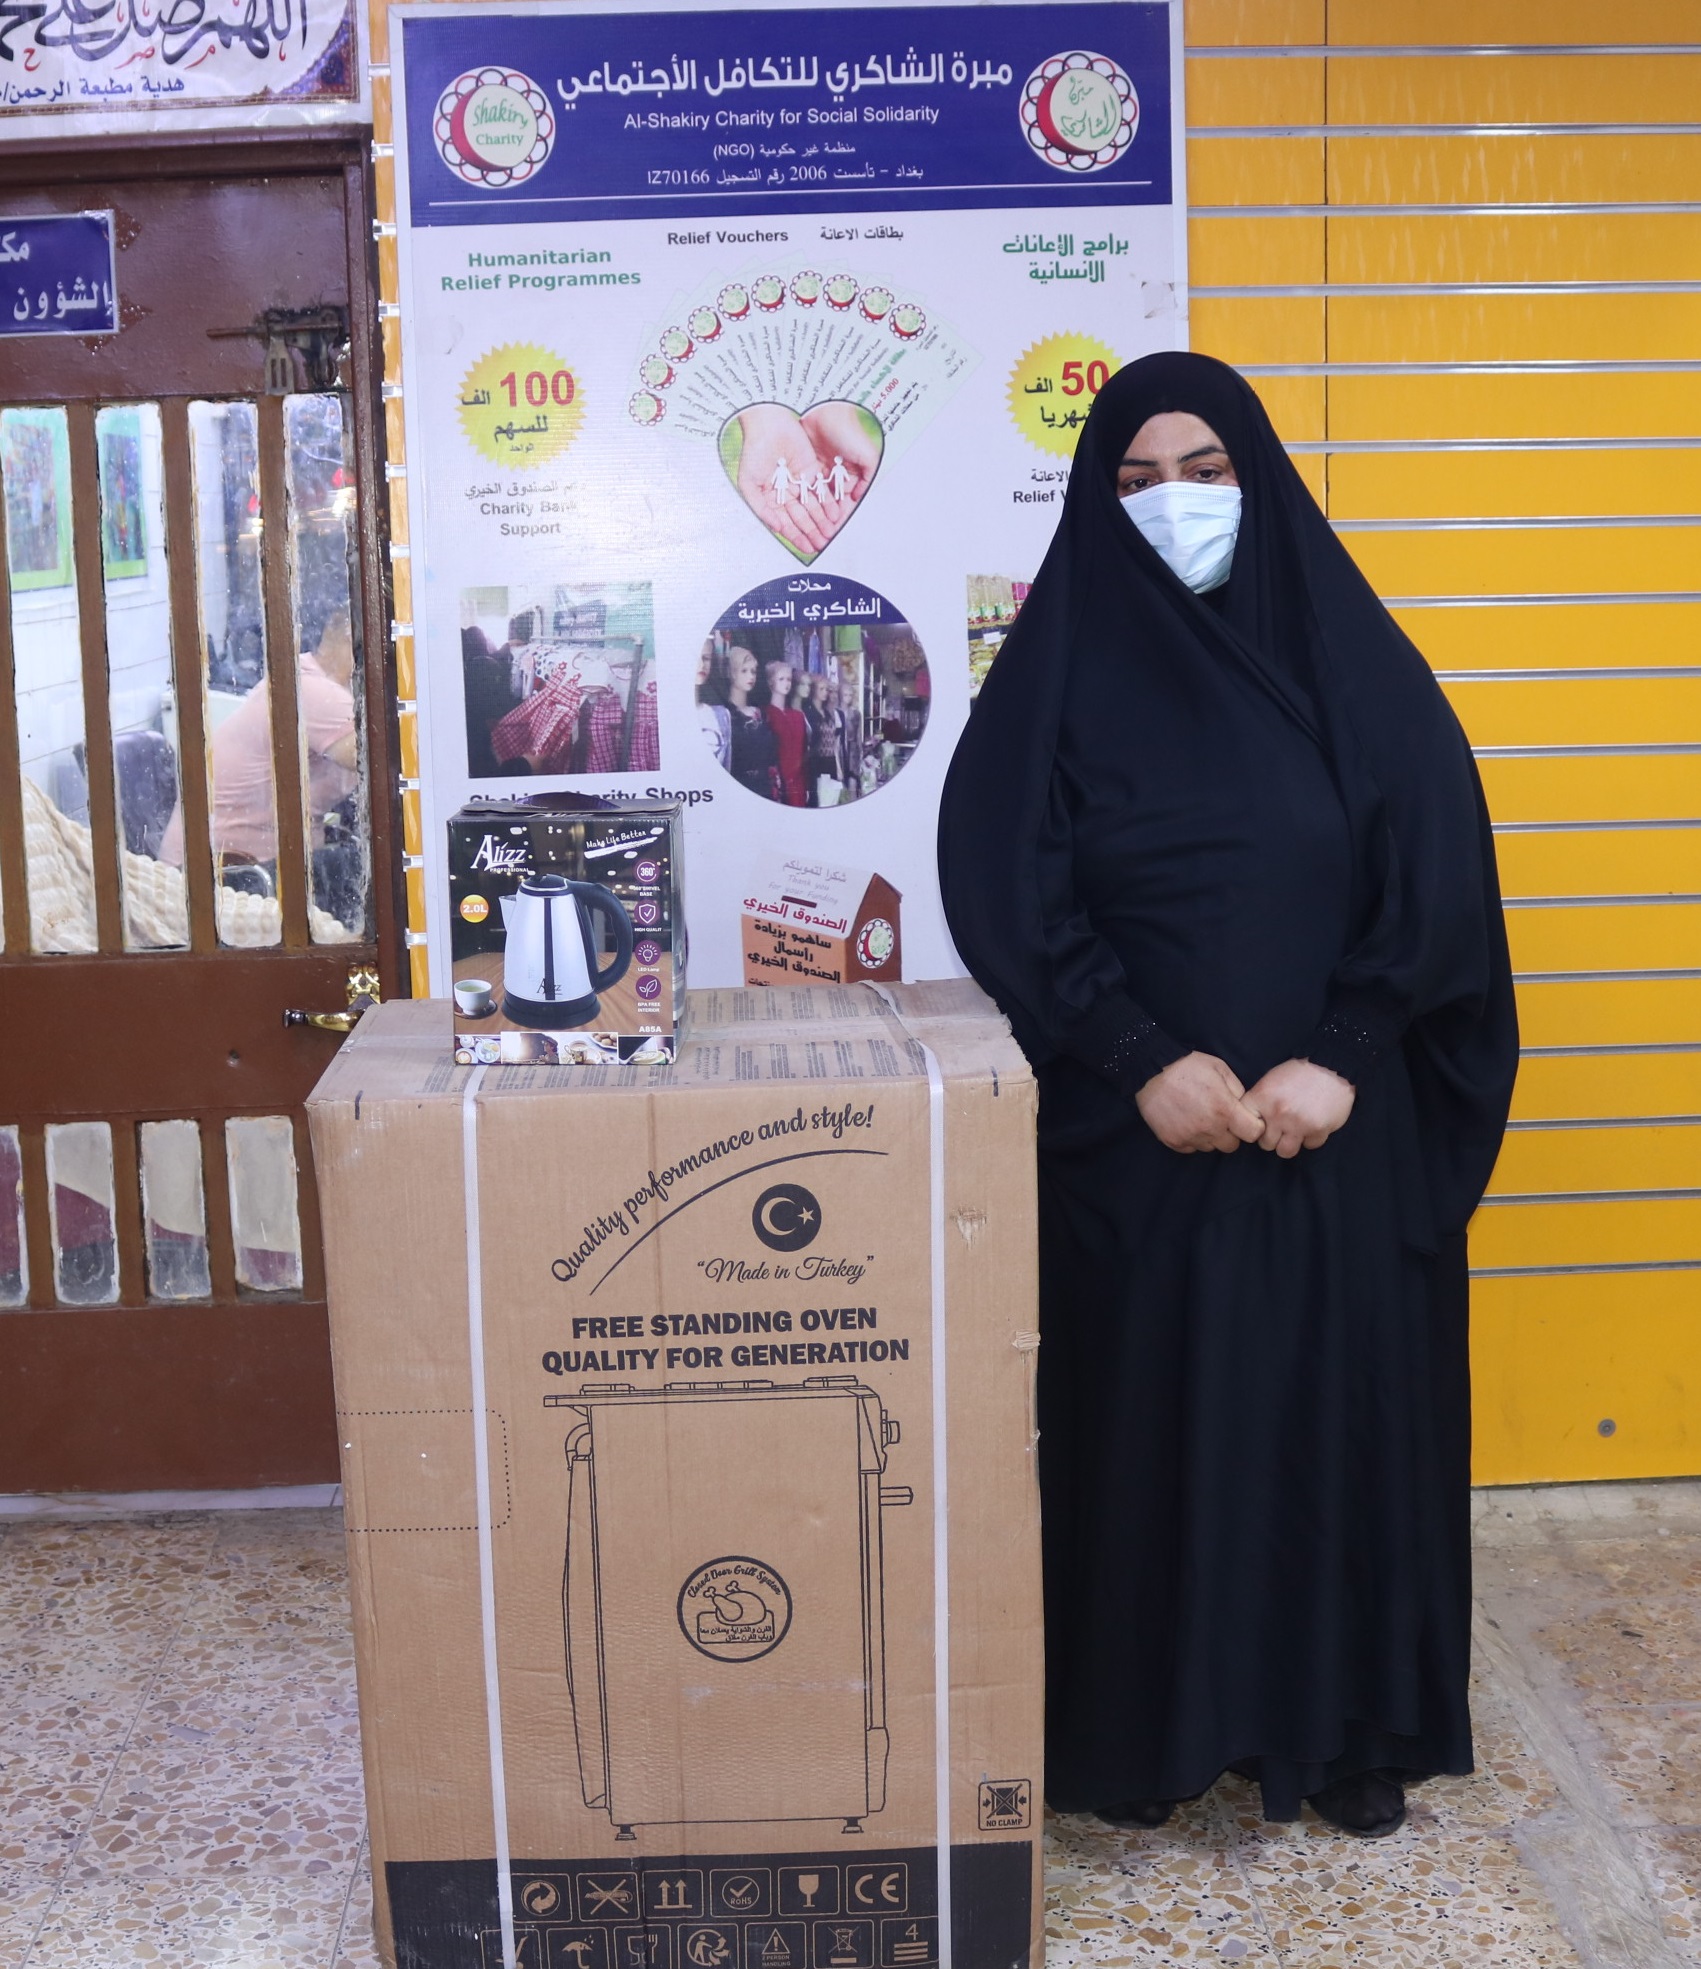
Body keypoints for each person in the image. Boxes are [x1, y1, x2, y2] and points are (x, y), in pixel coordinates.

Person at [937, 353, 1518, 1839]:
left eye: (1205, 473)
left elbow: (1436, 872)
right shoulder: (1060, 673)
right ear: (1095, 500)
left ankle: (1343, 1729)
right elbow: (1008, 883)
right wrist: (1137, 1055)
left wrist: (1346, 1049)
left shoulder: (1352, 663)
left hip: (1337, 1135)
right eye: (1136, 482)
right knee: (1152, 1431)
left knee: (1338, 1422)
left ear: (1258, 480)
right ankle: (1148, 1734)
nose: (1174, 503)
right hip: (1140, 1145)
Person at [161, 608, 358, 874]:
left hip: (238, 862)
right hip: (224, 872)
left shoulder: (302, 676)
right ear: (351, 642)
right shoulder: (314, 691)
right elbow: (381, 758)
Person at [724, 645, 781, 800]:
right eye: (744, 671)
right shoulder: (725, 715)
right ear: (732, 672)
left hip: (765, 789)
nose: (751, 676)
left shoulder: (759, 714)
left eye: (753, 671)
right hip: (739, 791)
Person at [762, 656, 809, 807]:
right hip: (777, 785)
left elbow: (802, 753)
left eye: (788, 679)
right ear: (771, 681)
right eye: (781, 679)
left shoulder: (798, 716)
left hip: (798, 784)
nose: (786, 683)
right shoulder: (765, 715)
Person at [696, 642, 731, 773]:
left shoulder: (721, 715)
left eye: (706, 658)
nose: (701, 665)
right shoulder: (670, 717)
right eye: (694, 658)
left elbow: (726, 768)